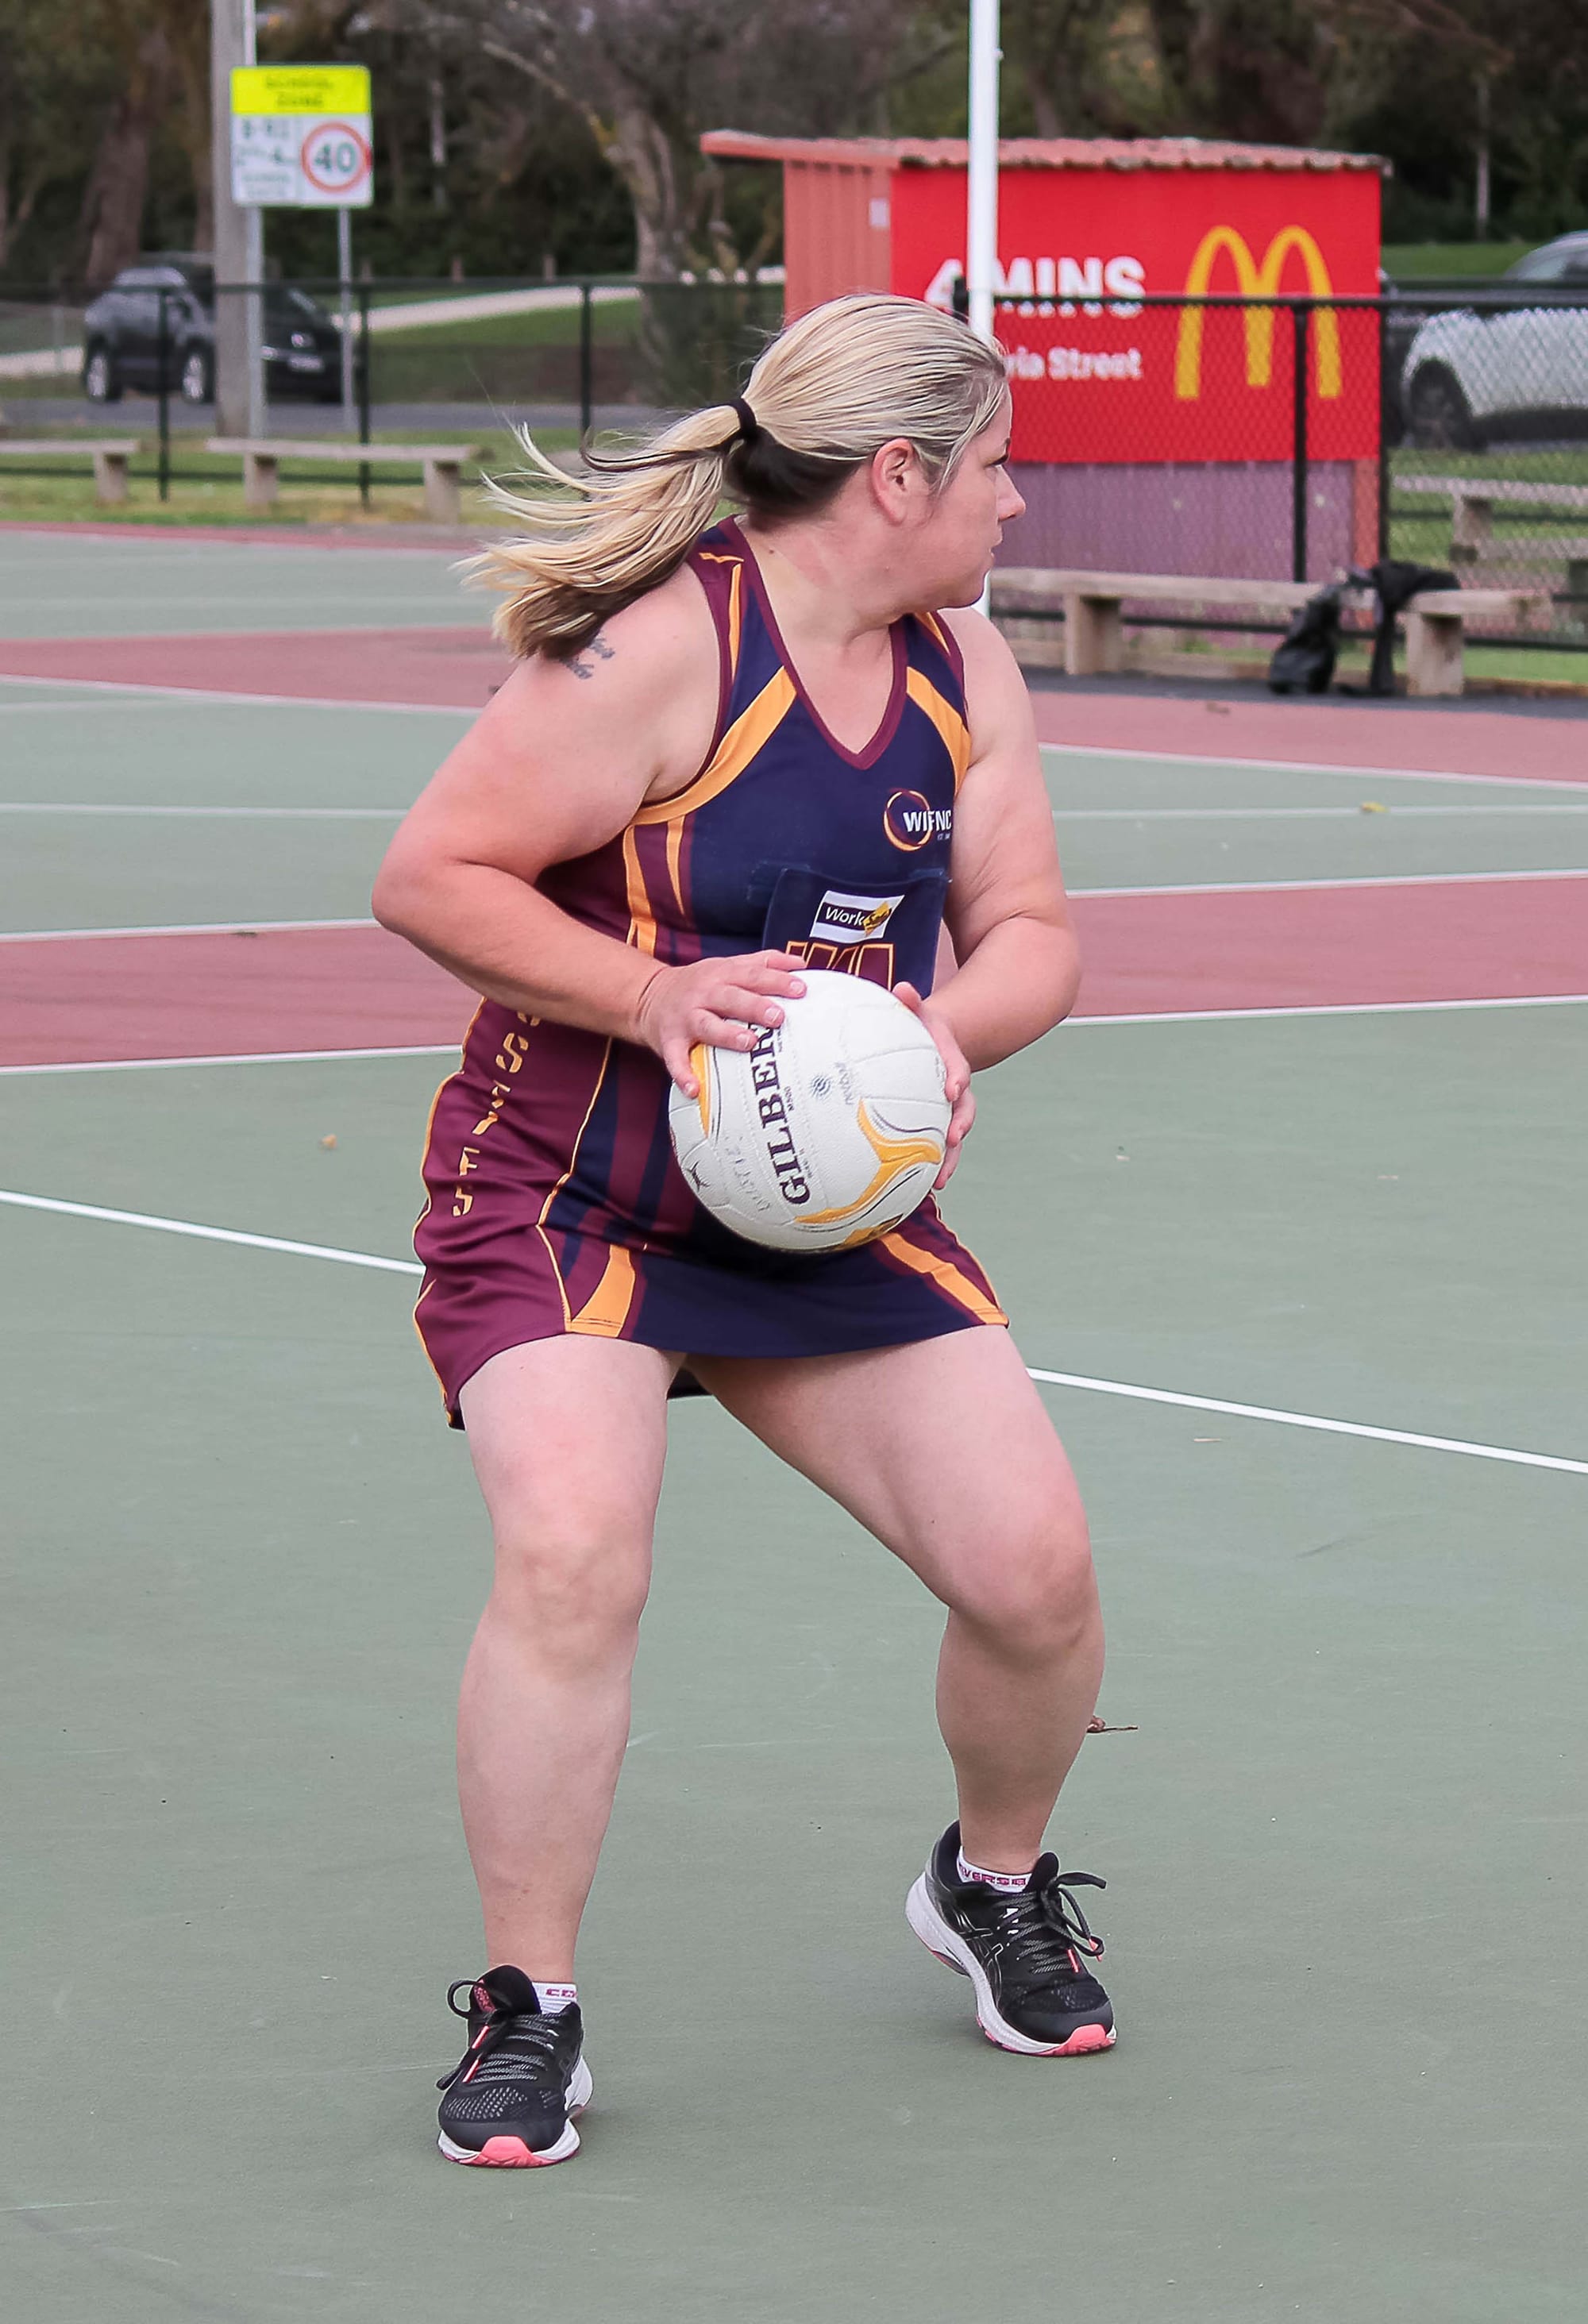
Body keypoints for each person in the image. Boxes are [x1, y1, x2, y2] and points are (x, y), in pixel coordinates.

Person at [372, 293, 1112, 2172]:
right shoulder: (657, 648)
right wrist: (651, 999)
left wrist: (944, 1029)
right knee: (574, 1557)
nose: (1015, 505)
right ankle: (525, 2009)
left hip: (817, 1213)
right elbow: (430, 876)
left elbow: (1030, 929)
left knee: (1031, 1572)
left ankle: (990, 1883)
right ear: (897, 476)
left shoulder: (963, 671)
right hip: (571, 1185)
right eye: (997, 467)